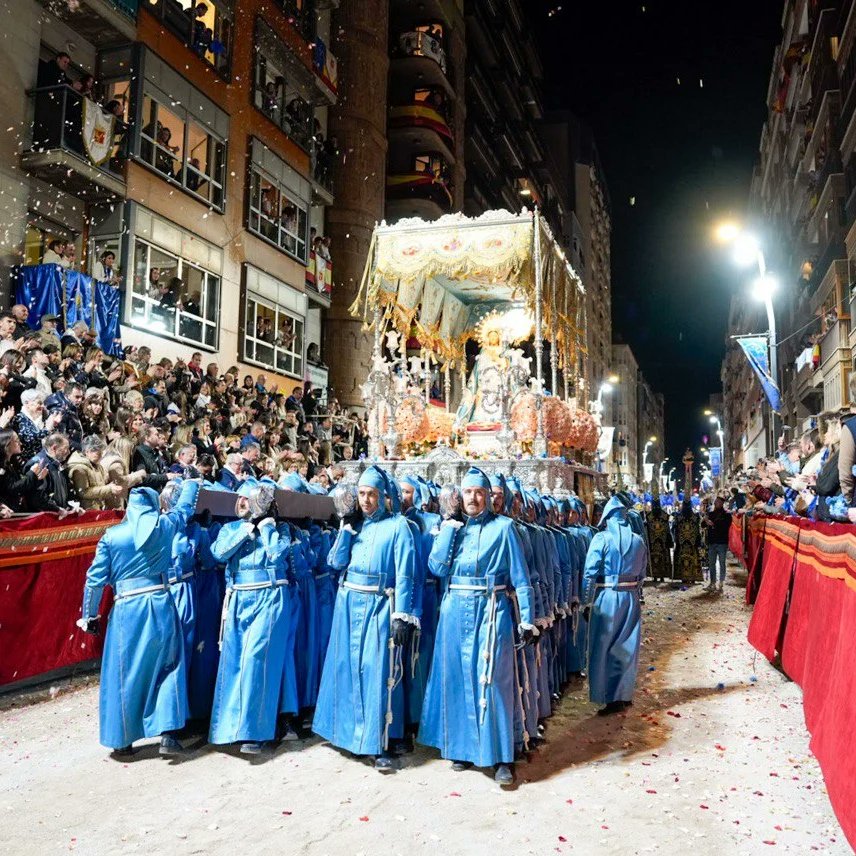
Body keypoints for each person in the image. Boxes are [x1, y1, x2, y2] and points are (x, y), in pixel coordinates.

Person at [419, 467, 536, 786]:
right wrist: (448, 530)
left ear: (488, 496)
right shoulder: (452, 528)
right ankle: (460, 748)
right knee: (457, 678)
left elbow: (521, 578)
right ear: (461, 495)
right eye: (468, 491)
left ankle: (501, 757)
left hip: (491, 610)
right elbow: (435, 567)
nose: (473, 497)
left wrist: (527, 619)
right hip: (455, 610)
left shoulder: (505, 528)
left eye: (479, 492)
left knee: (494, 682)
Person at [77, 479, 201, 754]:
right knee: (169, 666)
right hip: (160, 602)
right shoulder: (164, 527)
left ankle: (123, 741)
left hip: (126, 610)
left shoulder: (112, 536)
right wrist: (192, 482)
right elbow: (182, 510)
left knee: (125, 672)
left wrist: (89, 615)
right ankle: (168, 733)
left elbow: (95, 580)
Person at [313, 465, 418, 772]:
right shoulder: (354, 526)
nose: (366, 500)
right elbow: (335, 562)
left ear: (384, 497)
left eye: (372, 494)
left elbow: (405, 572)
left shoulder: (398, 526)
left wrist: (402, 614)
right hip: (348, 603)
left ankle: (377, 742)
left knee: (375, 671)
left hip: (379, 605)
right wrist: (344, 530)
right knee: (345, 666)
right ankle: (344, 734)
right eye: (361, 494)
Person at [209, 480, 294, 753]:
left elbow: (277, 556)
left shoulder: (281, 529)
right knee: (234, 662)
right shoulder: (231, 528)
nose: (244, 503)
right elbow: (218, 553)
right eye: (241, 499)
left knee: (256, 660)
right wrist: (246, 530)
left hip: (269, 597)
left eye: (250, 499)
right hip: (237, 599)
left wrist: (267, 528)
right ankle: (229, 728)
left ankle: (253, 731)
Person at [581, 495, 647, 716]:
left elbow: (590, 573)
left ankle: (607, 696)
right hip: (630, 597)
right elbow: (642, 573)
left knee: (603, 647)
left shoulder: (602, 539)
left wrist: (586, 601)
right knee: (626, 646)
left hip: (607, 597)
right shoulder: (638, 540)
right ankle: (623, 694)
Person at [67, 435, 125, 510]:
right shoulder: (79, 468)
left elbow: (101, 485)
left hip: (99, 508)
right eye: (98, 454)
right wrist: (109, 489)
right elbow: (83, 493)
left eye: (101, 454)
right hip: (87, 511)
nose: (100, 457)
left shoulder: (97, 465)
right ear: (87, 452)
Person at [25, 432, 74, 512]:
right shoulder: (38, 464)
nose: (68, 452)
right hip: (46, 518)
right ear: (54, 448)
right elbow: (37, 497)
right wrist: (56, 509)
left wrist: (70, 506)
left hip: (59, 514)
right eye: (66, 448)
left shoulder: (57, 463)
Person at [703, 496, 732, 592]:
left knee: (722, 563)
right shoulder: (710, 514)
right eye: (715, 502)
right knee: (711, 564)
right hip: (712, 542)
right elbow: (703, 525)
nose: (716, 504)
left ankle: (721, 583)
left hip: (722, 542)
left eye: (718, 502)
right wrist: (705, 520)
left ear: (722, 503)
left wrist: (712, 524)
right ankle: (712, 583)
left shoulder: (727, 515)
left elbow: (725, 526)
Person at [672, 500, 702, 583]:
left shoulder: (695, 516)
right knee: (684, 559)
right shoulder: (679, 516)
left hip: (691, 542)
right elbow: (675, 529)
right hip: (684, 542)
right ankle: (684, 576)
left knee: (692, 559)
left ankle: (692, 576)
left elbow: (698, 529)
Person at [645, 499, 673, 583]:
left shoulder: (664, 515)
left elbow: (669, 525)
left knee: (662, 558)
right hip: (653, 541)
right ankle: (655, 576)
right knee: (654, 558)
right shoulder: (649, 516)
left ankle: (661, 576)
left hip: (662, 541)